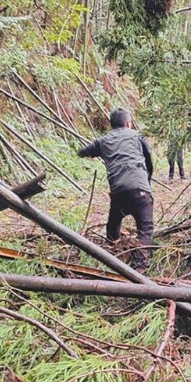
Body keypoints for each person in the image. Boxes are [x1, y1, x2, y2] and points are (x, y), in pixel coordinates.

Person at [78, 107, 154, 269]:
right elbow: (149, 160)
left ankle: (114, 257)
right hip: (140, 190)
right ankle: (140, 265)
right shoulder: (138, 136)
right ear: (128, 123)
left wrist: (90, 152)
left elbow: (83, 152)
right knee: (145, 228)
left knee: (113, 225)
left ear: (111, 125)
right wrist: (146, 182)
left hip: (118, 192)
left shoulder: (103, 141)